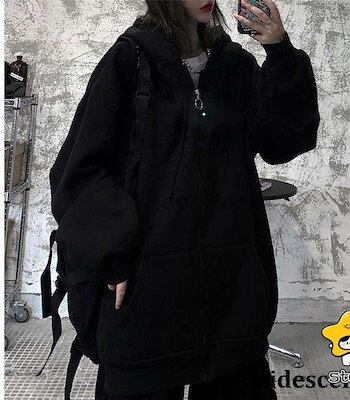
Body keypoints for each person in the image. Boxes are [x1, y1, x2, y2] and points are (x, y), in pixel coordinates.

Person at [53, 0, 320, 398]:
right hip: (147, 291)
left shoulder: (235, 67)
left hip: (231, 293)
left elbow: (284, 142)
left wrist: (280, 53)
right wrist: (112, 256)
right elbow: (79, 172)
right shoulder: (129, 61)